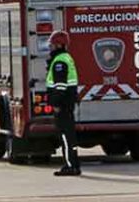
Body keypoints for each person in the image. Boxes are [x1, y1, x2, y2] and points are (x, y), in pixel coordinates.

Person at [47, 30, 81, 176]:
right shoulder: (67, 58)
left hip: (63, 104)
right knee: (70, 136)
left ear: (59, 44)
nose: (50, 47)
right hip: (69, 102)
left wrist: (56, 103)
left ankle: (70, 166)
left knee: (66, 136)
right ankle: (74, 164)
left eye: (52, 44)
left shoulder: (59, 61)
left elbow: (60, 85)